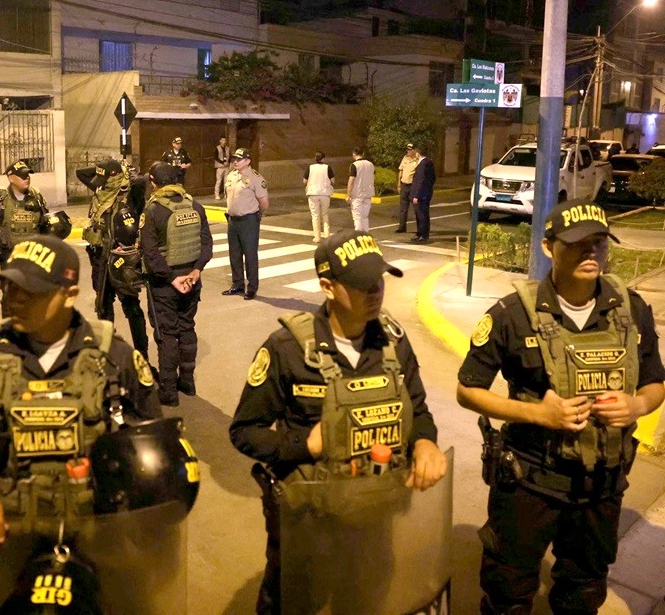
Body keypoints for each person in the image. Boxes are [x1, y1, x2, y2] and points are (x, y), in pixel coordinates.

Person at [456, 198, 665, 614]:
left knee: (584, 587)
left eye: (600, 243)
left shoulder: (631, 309)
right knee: (509, 589)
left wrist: (637, 405)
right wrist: (538, 414)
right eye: (578, 244)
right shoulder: (512, 315)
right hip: (530, 481)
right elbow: (468, 389)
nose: (592, 253)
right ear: (548, 247)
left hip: (600, 485)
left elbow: (655, 381)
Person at [229, 230, 447, 613]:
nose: (376, 291)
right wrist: (304, 445)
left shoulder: (394, 342)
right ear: (328, 286)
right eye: (363, 284)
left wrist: (425, 442)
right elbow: (245, 432)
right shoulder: (287, 349)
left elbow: (418, 409)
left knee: (365, 601)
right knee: (293, 604)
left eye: (379, 280)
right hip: (308, 522)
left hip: (375, 516)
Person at [0, 234, 161, 552]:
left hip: (98, 536)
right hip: (8, 536)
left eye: (31, 290)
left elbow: (154, 444)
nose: (14, 300)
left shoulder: (114, 358)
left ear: (69, 295)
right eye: (10, 287)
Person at [140, 162, 213, 407]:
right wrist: (195, 271)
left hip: (165, 284)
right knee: (187, 327)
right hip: (192, 281)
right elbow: (207, 245)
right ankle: (188, 383)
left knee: (167, 334)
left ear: (154, 182)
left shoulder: (153, 211)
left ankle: (169, 392)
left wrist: (172, 278)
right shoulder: (196, 206)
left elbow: (150, 254)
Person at [76, 158, 151, 362]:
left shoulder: (130, 195)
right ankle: (108, 352)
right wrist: (103, 170)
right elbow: (81, 173)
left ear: (116, 177)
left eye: (103, 178)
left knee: (132, 307)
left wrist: (125, 170)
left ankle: (142, 355)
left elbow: (141, 181)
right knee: (103, 306)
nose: (98, 182)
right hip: (100, 257)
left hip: (123, 260)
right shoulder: (101, 190)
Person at [0, 160, 49, 267]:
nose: (26, 178)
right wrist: (1, 241)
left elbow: (46, 222)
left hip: (33, 256)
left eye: (28, 175)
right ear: (11, 178)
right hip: (10, 255)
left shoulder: (37, 197)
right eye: (22, 175)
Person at [223, 148, 268, 301]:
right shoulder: (231, 176)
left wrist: (255, 216)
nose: (235, 162)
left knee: (249, 255)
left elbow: (264, 203)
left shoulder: (255, 178)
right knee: (234, 254)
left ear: (248, 161)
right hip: (233, 221)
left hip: (248, 221)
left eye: (239, 159)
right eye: (234, 159)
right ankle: (238, 284)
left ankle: (252, 287)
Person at [304, 151, 333, 243]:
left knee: (315, 215)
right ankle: (327, 235)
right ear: (323, 159)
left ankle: (317, 237)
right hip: (325, 193)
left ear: (315, 158)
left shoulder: (310, 167)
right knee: (325, 214)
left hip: (312, 193)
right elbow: (333, 180)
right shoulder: (327, 168)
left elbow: (304, 180)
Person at [410, 146, 435, 243]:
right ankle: (420, 234)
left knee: (422, 215)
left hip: (422, 195)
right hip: (425, 193)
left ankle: (423, 236)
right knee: (420, 215)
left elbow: (421, 181)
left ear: (418, 153)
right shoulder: (428, 163)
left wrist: (417, 195)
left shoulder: (424, 164)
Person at [346, 146, 375, 232]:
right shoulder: (370, 164)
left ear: (354, 154)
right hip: (368, 194)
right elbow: (373, 177)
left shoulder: (354, 165)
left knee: (357, 217)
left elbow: (351, 181)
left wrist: (348, 194)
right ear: (363, 154)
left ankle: (358, 236)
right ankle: (366, 235)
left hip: (357, 194)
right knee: (365, 217)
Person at [396, 143, 418, 234]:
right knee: (403, 208)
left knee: (416, 208)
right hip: (404, 185)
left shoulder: (417, 160)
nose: (408, 151)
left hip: (413, 186)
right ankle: (402, 227)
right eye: (407, 150)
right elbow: (400, 171)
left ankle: (420, 229)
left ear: (414, 150)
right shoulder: (405, 158)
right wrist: (398, 184)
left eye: (410, 150)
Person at [214, 136, 231, 200]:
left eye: (225, 140)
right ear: (220, 141)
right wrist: (222, 162)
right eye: (222, 140)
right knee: (219, 181)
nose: (224, 142)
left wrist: (228, 162)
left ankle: (226, 194)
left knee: (226, 181)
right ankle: (216, 194)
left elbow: (230, 156)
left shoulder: (227, 148)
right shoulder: (217, 148)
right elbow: (215, 157)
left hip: (226, 167)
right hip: (220, 167)